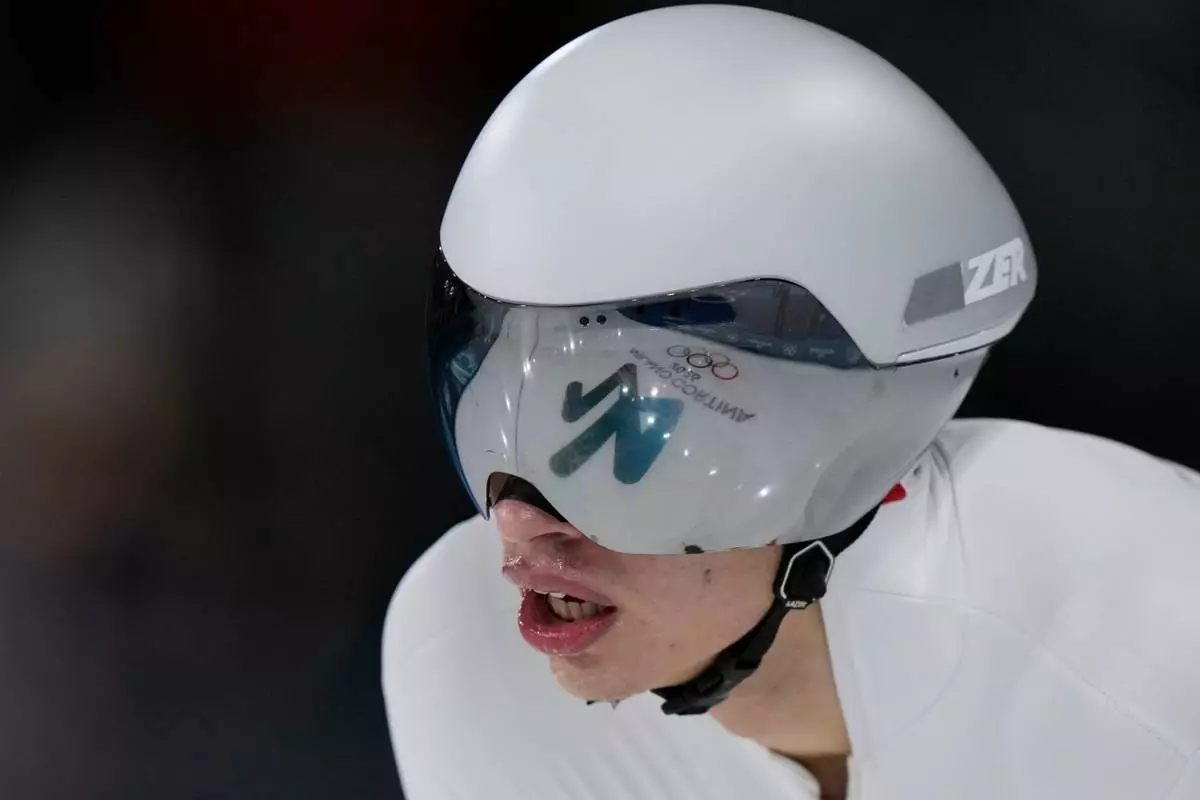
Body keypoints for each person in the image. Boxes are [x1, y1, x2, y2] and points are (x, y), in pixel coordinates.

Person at [382, 6, 1200, 799]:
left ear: (863, 450)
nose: (519, 521)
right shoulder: (463, 655)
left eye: (630, 444)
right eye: (500, 422)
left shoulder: (1149, 625)